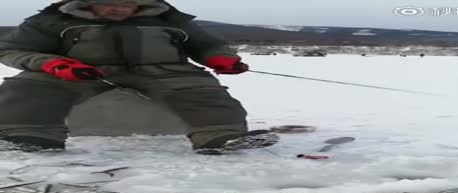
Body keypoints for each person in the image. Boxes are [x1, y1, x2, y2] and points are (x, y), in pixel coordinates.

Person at [0, 0, 278, 154]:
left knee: (203, 92)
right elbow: (11, 49)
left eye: (128, 4)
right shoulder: (51, 20)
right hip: (81, 70)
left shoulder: (171, 19)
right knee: (28, 88)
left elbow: (206, 44)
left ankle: (221, 136)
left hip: (165, 71)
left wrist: (221, 58)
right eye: (110, 4)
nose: (119, 9)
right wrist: (54, 64)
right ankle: (28, 135)